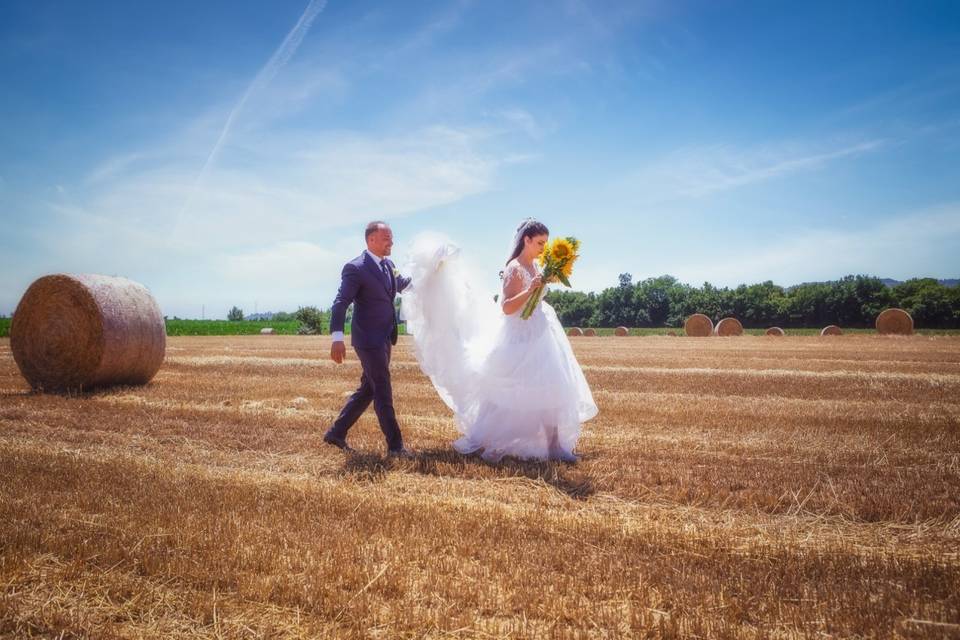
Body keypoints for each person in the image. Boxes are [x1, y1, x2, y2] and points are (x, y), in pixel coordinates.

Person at [402, 219, 598, 462]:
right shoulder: (514, 268)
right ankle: (489, 437)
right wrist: (531, 290)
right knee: (507, 390)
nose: (543, 248)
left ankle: (555, 446)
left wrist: (540, 285)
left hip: (540, 333)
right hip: (518, 337)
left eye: (546, 243)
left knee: (551, 386)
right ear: (526, 240)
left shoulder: (538, 266)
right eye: (539, 243)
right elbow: (507, 307)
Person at [324, 221, 413, 457]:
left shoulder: (388, 265)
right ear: (371, 240)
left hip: (385, 337)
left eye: (391, 238)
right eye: (387, 238)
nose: (391, 242)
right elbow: (340, 303)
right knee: (382, 388)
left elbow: (404, 285)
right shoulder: (356, 268)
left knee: (368, 389)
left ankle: (336, 432)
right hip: (368, 339)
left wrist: (432, 275)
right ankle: (396, 446)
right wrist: (337, 337)